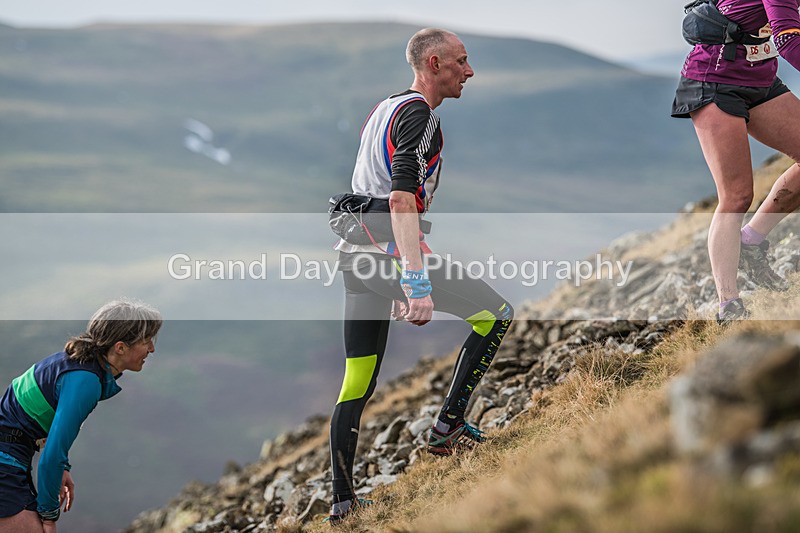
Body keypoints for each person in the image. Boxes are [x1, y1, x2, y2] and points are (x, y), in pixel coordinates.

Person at [327, 28, 514, 523]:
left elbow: (367, 190)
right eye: (461, 62)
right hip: (384, 255)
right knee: (496, 314)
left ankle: (342, 503)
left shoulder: (385, 108)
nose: (469, 71)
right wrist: (413, 280)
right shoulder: (418, 114)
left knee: (356, 382)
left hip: (356, 257)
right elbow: (400, 199)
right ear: (434, 64)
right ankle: (448, 427)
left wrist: (393, 266)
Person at [672, 0, 800, 323]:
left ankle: (752, 241)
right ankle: (729, 306)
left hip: (760, 80)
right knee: (737, 194)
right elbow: (787, 38)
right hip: (715, 81)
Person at [0, 299, 162, 533]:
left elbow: (41, 421)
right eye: (147, 341)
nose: (152, 349)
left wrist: (62, 468)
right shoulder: (86, 381)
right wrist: (48, 516)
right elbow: (51, 457)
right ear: (120, 347)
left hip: (12, 455)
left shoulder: (81, 367)